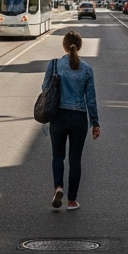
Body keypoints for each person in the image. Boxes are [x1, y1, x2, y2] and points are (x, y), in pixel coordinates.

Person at [42, 31, 100, 212]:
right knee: (75, 160)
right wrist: (95, 123)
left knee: (58, 156)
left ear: (64, 46)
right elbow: (90, 98)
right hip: (79, 118)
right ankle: (72, 201)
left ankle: (58, 187)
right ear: (80, 46)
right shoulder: (87, 69)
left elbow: (45, 88)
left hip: (58, 116)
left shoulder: (54, 65)